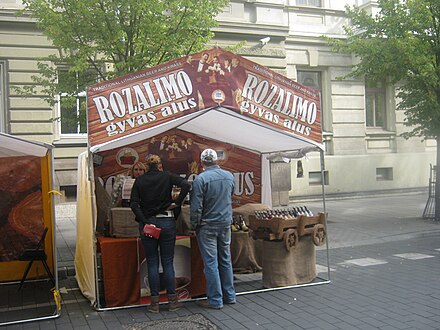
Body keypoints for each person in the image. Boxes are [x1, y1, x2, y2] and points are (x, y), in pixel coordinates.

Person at [130, 154, 191, 313]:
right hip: (167, 222)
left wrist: (144, 220)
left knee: (152, 262)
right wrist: (177, 203)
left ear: (147, 166)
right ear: (159, 165)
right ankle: (172, 301)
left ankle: (154, 303)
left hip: (149, 223)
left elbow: (134, 204)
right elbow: (186, 184)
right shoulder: (167, 176)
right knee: (168, 262)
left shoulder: (140, 180)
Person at [190, 148, 236, 309]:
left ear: (202, 162)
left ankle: (215, 300)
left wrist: (194, 224)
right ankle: (229, 296)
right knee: (225, 260)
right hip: (225, 224)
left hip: (207, 225)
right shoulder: (229, 176)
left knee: (211, 263)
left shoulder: (200, 180)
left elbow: (196, 207)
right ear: (217, 161)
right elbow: (230, 196)